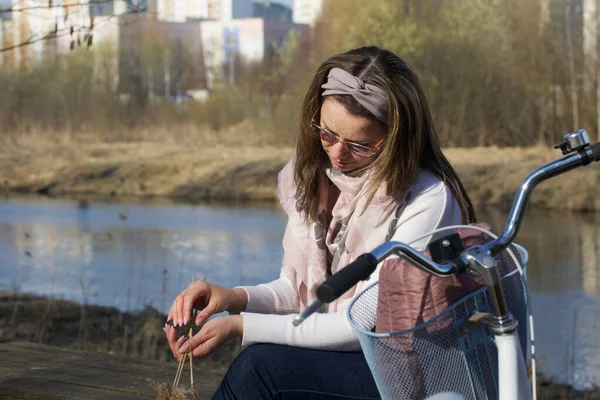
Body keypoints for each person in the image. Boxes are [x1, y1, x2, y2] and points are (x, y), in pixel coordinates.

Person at [164, 45, 476, 399]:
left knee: (261, 367)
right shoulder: (317, 180)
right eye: (327, 133)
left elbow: (359, 326)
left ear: (395, 142)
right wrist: (235, 298)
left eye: (360, 145)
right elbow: (298, 293)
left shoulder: (426, 201)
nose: (337, 153)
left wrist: (240, 326)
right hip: (356, 359)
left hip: (411, 375)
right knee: (262, 366)